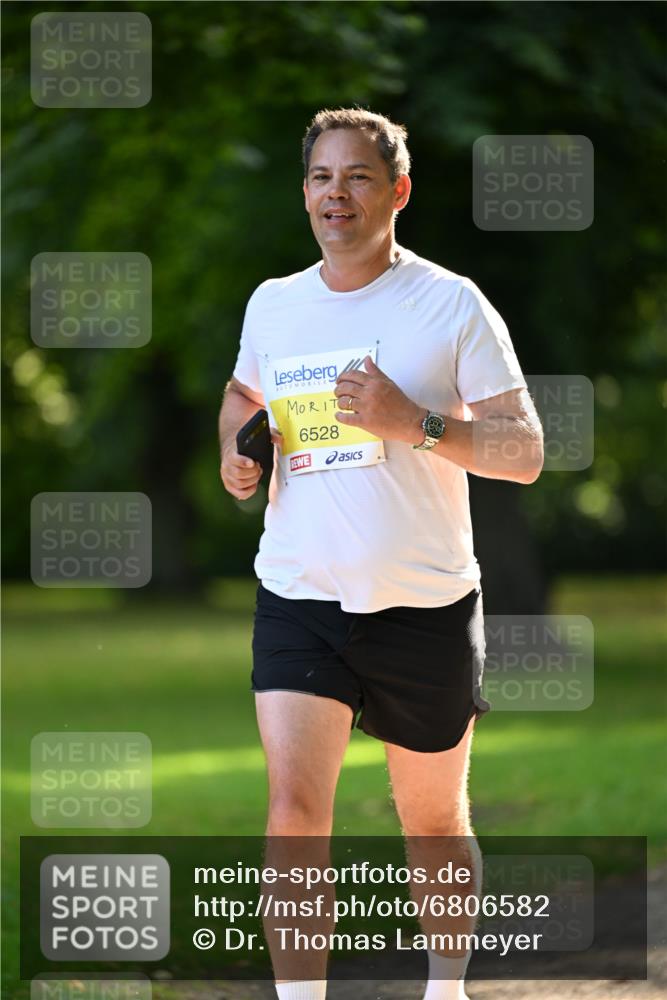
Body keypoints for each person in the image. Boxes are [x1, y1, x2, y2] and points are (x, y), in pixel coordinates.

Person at [218, 107, 544, 1000]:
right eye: (322, 177)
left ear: (396, 191)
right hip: (300, 592)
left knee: (431, 816)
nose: (336, 194)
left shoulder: (450, 303)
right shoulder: (274, 303)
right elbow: (241, 393)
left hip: (423, 601)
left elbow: (523, 451)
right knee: (293, 810)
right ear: (305, 193)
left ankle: (445, 990)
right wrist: (234, 454)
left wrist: (417, 424)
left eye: (357, 177)